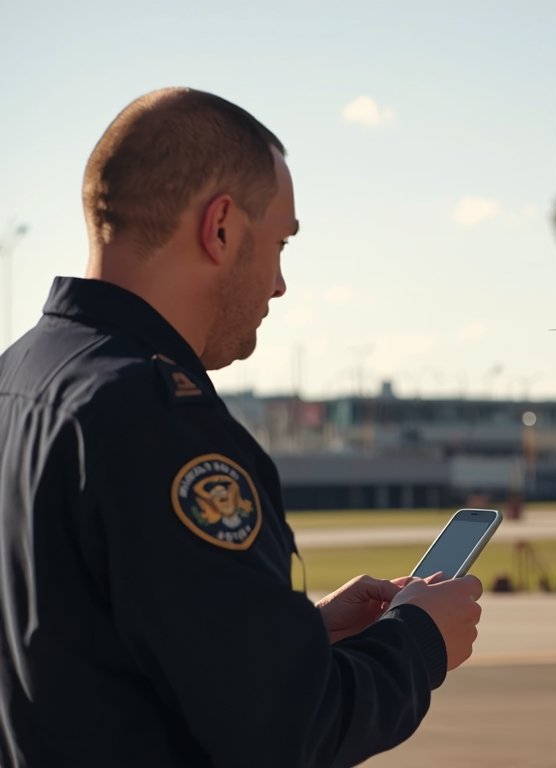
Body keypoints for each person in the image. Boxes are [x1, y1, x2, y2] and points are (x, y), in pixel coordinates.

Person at [0, 87, 484, 767]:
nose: (280, 284)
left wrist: (299, 633)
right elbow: (285, 731)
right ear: (221, 227)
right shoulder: (156, 420)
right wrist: (418, 641)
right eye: (280, 244)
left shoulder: (19, 377)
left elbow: (87, 647)